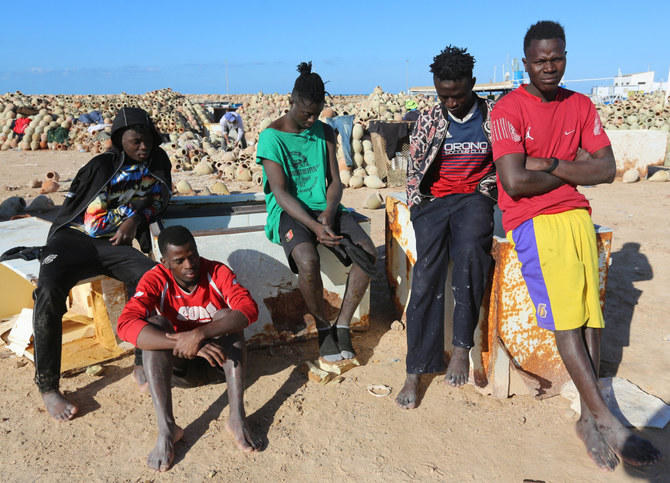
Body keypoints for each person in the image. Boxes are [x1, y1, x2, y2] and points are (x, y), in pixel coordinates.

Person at [491, 20, 661, 470]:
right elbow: (513, 181)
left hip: (577, 217)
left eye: (557, 57)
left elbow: (605, 169)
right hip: (534, 223)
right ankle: (608, 421)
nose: (549, 67)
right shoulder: (507, 110)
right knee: (567, 320)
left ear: (565, 55)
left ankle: (588, 416)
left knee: (590, 316)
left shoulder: (581, 105)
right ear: (525, 63)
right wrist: (573, 166)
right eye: (540, 60)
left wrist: (548, 162)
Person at [32, 107, 171, 422]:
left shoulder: (158, 163)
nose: (143, 147)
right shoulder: (102, 166)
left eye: (147, 140)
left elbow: (161, 199)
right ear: (120, 141)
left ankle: (140, 360)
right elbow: (92, 223)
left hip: (113, 244)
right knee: (49, 291)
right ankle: (48, 385)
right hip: (74, 238)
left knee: (149, 277)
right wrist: (128, 216)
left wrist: (136, 218)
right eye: (135, 142)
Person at [396, 46, 497, 409]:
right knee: (425, 276)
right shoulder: (429, 119)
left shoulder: (492, 116)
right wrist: (416, 202)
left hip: (474, 196)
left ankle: (461, 347)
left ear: (472, 83)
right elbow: (414, 165)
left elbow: (505, 160)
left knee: (471, 254)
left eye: (457, 94)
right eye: (443, 95)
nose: (451, 102)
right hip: (435, 201)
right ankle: (416, 368)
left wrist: (488, 192)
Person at [256, 61, 376, 363]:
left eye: (316, 112)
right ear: (291, 101)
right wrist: (313, 224)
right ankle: (324, 327)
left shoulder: (324, 132)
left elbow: (335, 181)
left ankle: (344, 324)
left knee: (367, 252)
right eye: (305, 112)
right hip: (290, 211)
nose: (311, 119)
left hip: (324, 208)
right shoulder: (271, 137)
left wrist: (329, 212)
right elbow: (281, 192)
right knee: (307, 260)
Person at [117, 225, 260, 470]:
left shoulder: (217, 272)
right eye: (179, 260)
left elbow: (249, 310)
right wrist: (181, 340)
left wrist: (200, 334)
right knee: (155, 324)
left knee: (228, 315)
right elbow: (125, 325)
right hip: (177, 369)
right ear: (164, 262)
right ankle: (167, 429)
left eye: (192, 255)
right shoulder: (155, 278)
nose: (189, 264)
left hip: (218, 363)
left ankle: (237, 417)